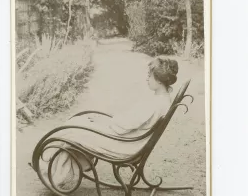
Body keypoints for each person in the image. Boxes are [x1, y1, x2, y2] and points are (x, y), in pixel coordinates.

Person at [47, 56, 179, 189]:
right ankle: (56, 170)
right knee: (78, 122)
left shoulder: (156, 104)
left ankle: (56, 175)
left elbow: (126, 125)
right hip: (126, 139)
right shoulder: (162, 99)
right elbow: (130, 122)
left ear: (159, 80)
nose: (147, 79)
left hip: (124, 145)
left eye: (149, 76)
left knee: (72, 131)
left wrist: (106, 122)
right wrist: (107, 121)